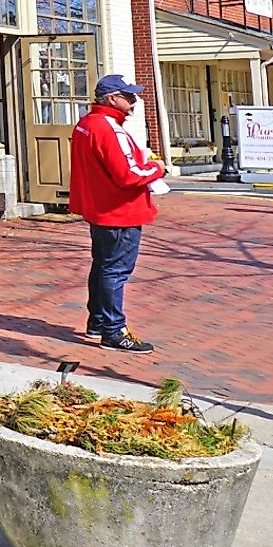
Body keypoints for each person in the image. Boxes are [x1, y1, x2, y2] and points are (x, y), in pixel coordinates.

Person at [70, 73, 169, 352]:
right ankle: (113, 330)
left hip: (100, 208)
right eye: (128, 96)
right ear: (112, 98)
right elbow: (128, 175)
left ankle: (98, 322)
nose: (134, 100)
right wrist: (157, 168)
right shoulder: (109, 128)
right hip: (119, 210)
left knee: (102, 265)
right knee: (115, 270)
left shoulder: (86, 124)